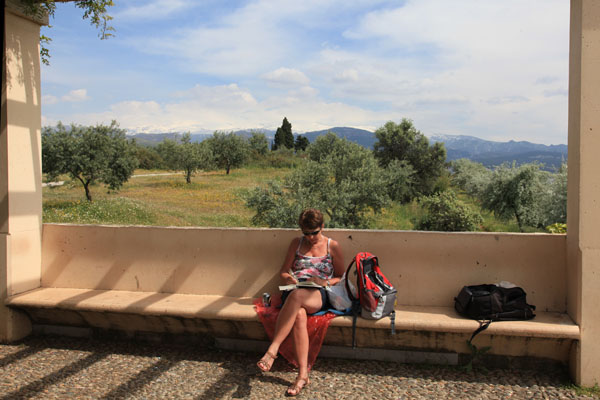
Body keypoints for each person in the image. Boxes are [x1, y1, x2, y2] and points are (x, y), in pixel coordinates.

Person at [256, 208, 345, 396]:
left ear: (322, 227)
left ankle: (273, 349)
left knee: (297, 298)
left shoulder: (332, 246)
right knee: (298, 314)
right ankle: (303, 375)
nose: (311, 237)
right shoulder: (296, 243)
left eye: (314, 233)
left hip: (318, 294)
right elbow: (283, 271)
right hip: (295, 291)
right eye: (306, 233)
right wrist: (288, 279)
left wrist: (325, 281)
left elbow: (340, 276)